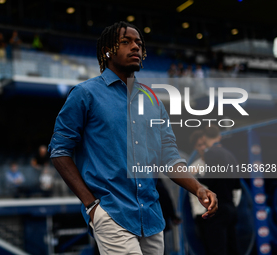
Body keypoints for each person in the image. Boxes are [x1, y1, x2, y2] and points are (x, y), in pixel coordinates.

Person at [49, 21, 218, 255]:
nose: (136, 47)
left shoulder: (152, 98)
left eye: (139, 42)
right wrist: (91, 205)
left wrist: (198, 188)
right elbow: (59, 151)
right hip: (111, 211)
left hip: (150, 215)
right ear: (108, 50)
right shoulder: (85, 94)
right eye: (126, 42)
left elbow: (168, 156)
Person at [199, 125, 241, 255]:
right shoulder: (230, 155)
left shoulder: (211, 153)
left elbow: (209, 179)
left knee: (217, 249)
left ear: (205, 138)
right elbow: (237, 185)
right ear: (219, 136)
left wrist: (196, 176)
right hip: (231, 208)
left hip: (218, 207)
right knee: (232, 248)